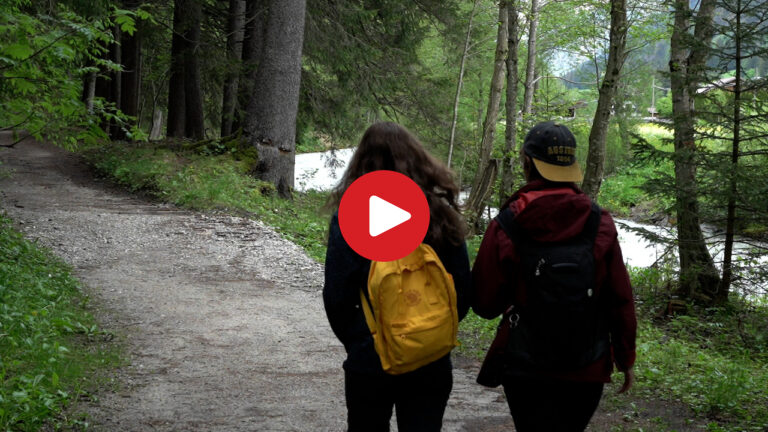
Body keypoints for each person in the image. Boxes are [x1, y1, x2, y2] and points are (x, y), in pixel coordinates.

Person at [471, 121, 637, 431]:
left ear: (527, 162)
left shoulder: (509, 221)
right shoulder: (599, 221)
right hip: (588, 364)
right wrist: (625, 357)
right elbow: (620, 297)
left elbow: (484, 303)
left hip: (525, 364)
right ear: (571, 165)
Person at [323, 122, 471, 432]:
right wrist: (432, 328)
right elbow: (461, 288)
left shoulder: (352, 216)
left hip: (370, 356)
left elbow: (337, 294)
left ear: (362, 162)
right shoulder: (439, 213)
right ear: (416, 158)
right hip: (430, 357)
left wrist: (359, 339)